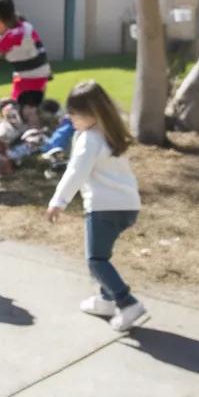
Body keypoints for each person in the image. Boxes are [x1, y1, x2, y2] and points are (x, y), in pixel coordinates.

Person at [47, 81, 148, 332]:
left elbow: (75, 173)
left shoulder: (89, 139)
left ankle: (127, 303)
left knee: (96, 260)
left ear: (91, 114)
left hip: (104, 208)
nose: (69, 119)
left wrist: (58, 202)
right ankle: (105, 300)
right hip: (127, 206)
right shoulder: (110, 133)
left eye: (73, 114)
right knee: (102, 255)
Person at [0, 0, 52, 105]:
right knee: (20, 109)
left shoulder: (13, 35)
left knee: (18, 110)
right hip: (34, 75)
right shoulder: (23, 26)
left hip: (31, 79)